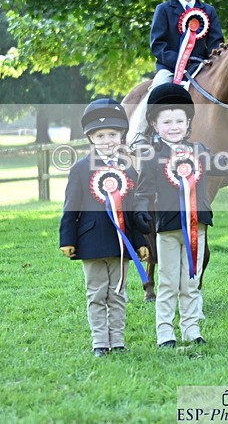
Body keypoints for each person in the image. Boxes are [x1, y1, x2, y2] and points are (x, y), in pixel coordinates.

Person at [132, 83, 228, 348]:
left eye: (179, 121)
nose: (174, 126)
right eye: (166, 122)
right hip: (167, 229)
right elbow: (144, 190)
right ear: (155, 126)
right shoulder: (152, 156)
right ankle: (165, 332)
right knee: (168, 282)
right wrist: (141, 210)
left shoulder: (200, 151)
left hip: (196, 227)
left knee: (191, 281)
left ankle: (191, 328)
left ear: (188, 123)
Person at [59, 99, 150, 356]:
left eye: (113, 134)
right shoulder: (79, 170)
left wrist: (140, 241)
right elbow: (71, 208)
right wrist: (68, 238)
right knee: (97, 294)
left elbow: (131, 210)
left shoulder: (128, 171)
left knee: (118, 293)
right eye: (101, 135)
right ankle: (100, 342)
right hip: (90, 242)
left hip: (122, 244)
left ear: (122, 135)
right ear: (90, 137)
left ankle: (118, 341)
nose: (108, 140)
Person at [149, 0, 224, 89]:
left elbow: (216, 43)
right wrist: (181, 61)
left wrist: (209, 63)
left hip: (202, 68)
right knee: (158, 87)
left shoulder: (209, 10)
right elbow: (158, 45)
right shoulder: (163, 10)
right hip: (170, 69)